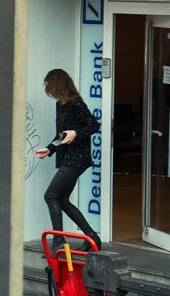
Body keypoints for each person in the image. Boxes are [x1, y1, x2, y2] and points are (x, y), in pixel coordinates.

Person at [35, 69, 102, 253]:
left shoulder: (75, 104)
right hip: (67, 157)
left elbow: (93, 125)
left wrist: (76, 133)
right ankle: (92, 237)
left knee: (50, 195)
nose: (47, 88)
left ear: (57, 84)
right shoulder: (60, 104)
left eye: (48, 84)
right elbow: (62, 134)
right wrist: (50, 149)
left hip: (77, 157)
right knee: (62, 199)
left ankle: (58, 241)